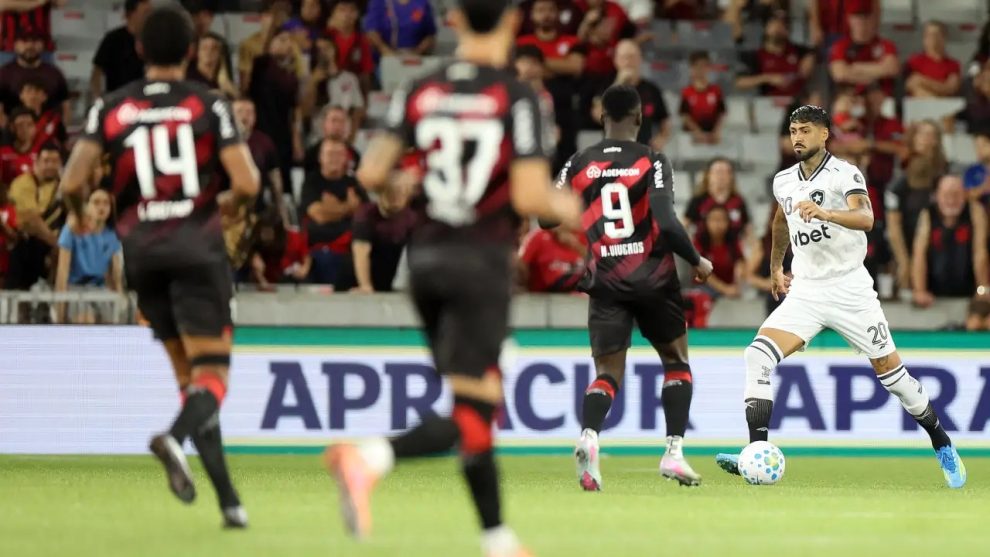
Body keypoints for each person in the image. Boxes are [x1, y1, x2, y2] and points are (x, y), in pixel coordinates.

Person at [323, 2, 582, 555]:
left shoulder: (421, 88)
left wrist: (406, 179)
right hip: (479, 265)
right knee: (473, 407)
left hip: (427, 264)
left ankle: (497, 537)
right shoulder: (517, 98)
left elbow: (370, 172)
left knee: (478, 399)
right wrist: (581, 208)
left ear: (456, 20)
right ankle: (368, 458)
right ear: (512, 23)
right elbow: (531, 196)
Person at [59, 4, 260, 527]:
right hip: (196, 250)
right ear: (192, 50)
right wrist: (225, 209)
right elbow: (248, 184)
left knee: (189, 381)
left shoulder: (111, 106)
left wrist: (83, 218)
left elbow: (72, 183)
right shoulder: (208, 103)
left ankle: (230, 503)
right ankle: (173, 437)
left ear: (140, 49)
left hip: (142, 256)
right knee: (213, 378)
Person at [714, 105, 967, 489]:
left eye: (805, 130)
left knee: (894, 379)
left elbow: (866, 218)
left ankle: (942, 443)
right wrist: (775, 266)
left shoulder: (845, 174)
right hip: (807, 290)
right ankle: (756, 453)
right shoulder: (783, 180)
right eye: (793, 130)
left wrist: (825, 213)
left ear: (824, 134)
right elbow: (781, 220)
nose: (797, 136)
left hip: (851, 290)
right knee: (757, 354)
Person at [551, 85, 712, 491]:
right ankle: (674, 453)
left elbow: (545, 219)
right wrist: (697, 260)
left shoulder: (578, 163)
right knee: (676, 362)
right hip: (654, 278)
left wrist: (588, 213)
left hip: (605, 280)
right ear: (640, 118)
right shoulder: (652, 160)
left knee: (607, 373)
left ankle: (589, 437)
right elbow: (668, 222)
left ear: (601, 117)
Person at [517, 0, 586, 169]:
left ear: (558, 14)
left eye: (550, 10)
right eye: (540, 10)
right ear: (532, 15)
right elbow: (515, 70)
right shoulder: (520, 41)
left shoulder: (572, 41)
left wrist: (536, 64)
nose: (546, 14)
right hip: (528, 104)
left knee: (566, 164)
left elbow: (575, 67)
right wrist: (560, 66)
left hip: (564, 108)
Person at [886, 120, 948, 290]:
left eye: (931, 135)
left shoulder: (946, 175)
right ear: (913, 139)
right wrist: (904, 261)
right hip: (907, 243)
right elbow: (893, 227)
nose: (926, 139)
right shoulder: (899, 182)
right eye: (922, 134)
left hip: (940, 249)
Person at [911, 175, 989, 307]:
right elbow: (919, 254)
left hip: (969, 291)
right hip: (935, 293)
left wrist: (983, 288)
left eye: (956, 194)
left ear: (965, 194)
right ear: (936, 196)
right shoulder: (928, 214)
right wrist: (920, 290)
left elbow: (980, 252)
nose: (951, 200)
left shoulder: (975, 211)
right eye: (946, 195)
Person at [299, 138, 364, 286]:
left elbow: (363, 216)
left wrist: (331, 208)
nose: (334, 158)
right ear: (320, 157)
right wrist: (348, 207)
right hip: (316, 250)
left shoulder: (354, 184)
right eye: (329, 154)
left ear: (345, 158)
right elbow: (319, 215)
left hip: (349, 251)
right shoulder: (311, 182)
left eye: (338, 154)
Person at [54, 188, 123, 324]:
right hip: (75, 289)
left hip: (100, 290)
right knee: (85, 320)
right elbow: (62, 274)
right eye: (96, 203)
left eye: (106, 203)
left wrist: (120, 306)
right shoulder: (71, 230)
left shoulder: (112, 235)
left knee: (110, 323)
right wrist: (59, 313)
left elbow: (115, 276)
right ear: (87, 206)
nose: (101, 207)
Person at [586, 39, 669, 150]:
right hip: (613, 151)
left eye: (632, 57)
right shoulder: (606, 85)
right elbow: (597, 115)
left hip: (643, 151)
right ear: (616, 61)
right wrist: (619, 83)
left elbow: (665, 119)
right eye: (624, 57)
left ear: (640, 59)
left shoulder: (651, 89)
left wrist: (662, 138)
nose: (628, 61)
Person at [248, 25, 303, 194]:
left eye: (289, 41)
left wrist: (296, 139)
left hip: (283, 134)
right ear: (270, 43)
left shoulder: (291, 77)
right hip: (261, 131)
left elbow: (293, 111)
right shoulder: (261, 65)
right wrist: (273, 20)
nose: (286, 44)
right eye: (281, 40)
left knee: (284, 180)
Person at [6, 142, 61, 293]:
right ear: (36, 162)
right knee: (18, 298)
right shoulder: (23, 183)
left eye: (55, 161)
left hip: (51, 250)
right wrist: (57, 244)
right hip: (26, 248)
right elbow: (31, 220)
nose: (50, 165)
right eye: (46, 161)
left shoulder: (61, 187)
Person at [233, 96, 287, 224]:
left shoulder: (264, 142)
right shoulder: (222, 142)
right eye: (240, 111)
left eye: (250, 112)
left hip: (258, 208)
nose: (245, 117)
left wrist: (281, 210)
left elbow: (275, 177)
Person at [0, 27, 69, 124]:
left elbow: (66, 107)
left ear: (43, 45)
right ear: (15, 45)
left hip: (49, 133)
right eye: (24, 41)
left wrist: (61, 133)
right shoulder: (4, 74)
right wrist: (8, 134)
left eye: (35, 41)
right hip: (14, 134)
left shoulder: (55, 73)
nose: (30, 45)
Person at [735, 14, 814, 97]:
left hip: (796, 101)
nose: (777, 30)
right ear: (766, 29)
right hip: (769, 102)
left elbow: (811, 50)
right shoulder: (757, 55)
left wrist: (810, 57)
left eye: (781, 27)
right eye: (774, 26)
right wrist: (768, 78)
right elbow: (739, 82)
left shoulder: (797, 51)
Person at [828, 6, 899, 96]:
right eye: (857, 17)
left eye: (866, 17)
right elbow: (840, 74)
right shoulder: (840, 46)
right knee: (842, 104)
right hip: (851, 94)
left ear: (873, 20)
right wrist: (877, 71)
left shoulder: (886, 44)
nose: (862, 22)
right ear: (849, 20)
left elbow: (892, 69)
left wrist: (855, 67)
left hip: (880, 95)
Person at [91, 0, 152, 97]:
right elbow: (96, 73)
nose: (149, 16)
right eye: (146, 12)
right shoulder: (112, 39)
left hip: (142, 102)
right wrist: (98, 99)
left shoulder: (151, 41)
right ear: (132, 14)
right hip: (116, 101)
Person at [684, 157, 750, 239]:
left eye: (726, 172)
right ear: (708, 175)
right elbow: (684, 226)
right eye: (718, 172)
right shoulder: (698, 200)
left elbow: (748, 230)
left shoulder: (738, 201)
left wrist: (755, 248)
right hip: (702, 249)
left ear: (731, 176)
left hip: (732, 249)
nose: (721, 176)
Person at [693, 206, 745, 299]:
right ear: (706, 222)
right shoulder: (698, 241)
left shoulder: (733, 242)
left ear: (728, 223)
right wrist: (725, 289)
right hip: (705, 287)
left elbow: (740, 263)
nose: (718, 224)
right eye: (713, 220)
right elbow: (703, 272)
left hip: (730, 287)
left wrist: (737, 283)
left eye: (722, 220)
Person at [517, 225, 586, 292]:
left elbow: (594, 261)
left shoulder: (582, 235)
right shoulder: (538, 236)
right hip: (547, 293)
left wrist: (576, 246)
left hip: (578, 294)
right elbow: (520, 265)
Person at [680, 51, 726, 145]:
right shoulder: (687, 92)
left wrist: (716, 131)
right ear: (691, 68)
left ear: (709, 68)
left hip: (712, 135)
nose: (700, 69)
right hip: (693, 136)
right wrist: (697, 132)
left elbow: (721, 113)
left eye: (704, 66)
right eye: (697, 66)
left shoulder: (716, 90)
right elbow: (685, 115)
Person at [905, 21, 961, 98]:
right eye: (928, 35)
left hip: (946, 105)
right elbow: (911, 85)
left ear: (944, 38)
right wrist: (939, 88)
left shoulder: (953, 65)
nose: (932, 38)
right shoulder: (914, 62)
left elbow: (951, 88)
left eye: (936, 35)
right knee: (918, 91)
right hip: (918, 106)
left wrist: (922, 81)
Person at [364, 0, 437, 58]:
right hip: (386, 58)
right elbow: (371, 32)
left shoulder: (422, 2)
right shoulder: (379, 2)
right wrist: (386, 51)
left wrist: (417, 52)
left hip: (414, 58)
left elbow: (430, 36)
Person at [187, 32, 238, 99]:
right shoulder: (188, 77)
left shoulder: (224, 78)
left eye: (214, 48)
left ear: (221, 53)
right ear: (198, 52)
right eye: (204, 48)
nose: (209, 52)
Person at [17, 78, 65, 147]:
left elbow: (63, 142)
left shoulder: (54, 119)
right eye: (28, 91)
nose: (33, 96)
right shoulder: (14, 119)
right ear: (21, 96)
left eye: (37, 91)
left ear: (44, 97)